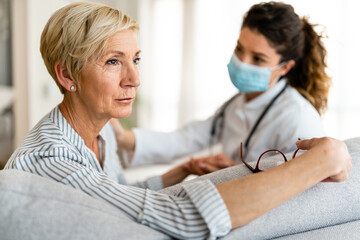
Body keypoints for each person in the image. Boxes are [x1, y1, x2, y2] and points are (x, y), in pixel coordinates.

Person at [4, 2, 351, 239]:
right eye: (113, 61)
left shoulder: (100, 133)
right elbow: (179, 218)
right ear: (66, 75)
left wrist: (180, 171)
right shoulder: (52, 159)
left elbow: (117, 197)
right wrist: (323, 159)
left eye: (136, 59)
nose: (134, 78)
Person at [113, 1, 331, 175]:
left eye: (258, 59)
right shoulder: (236, 104)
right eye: (239, 49)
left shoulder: (298, 118)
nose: (242, 62)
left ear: (285, 68)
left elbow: (301, 188)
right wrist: (122, 137)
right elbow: (186, 139)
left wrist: (238, 176)